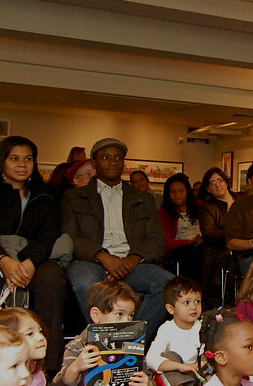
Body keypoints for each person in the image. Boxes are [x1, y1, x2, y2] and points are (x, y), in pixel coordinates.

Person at [0, 135, 69, 370]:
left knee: (52, 278)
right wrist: (3, 261)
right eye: (15, 159)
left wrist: (29, 262)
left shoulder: (46, 193)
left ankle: (48, 366)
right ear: (2, 161)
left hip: (34, 256)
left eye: (28, 159)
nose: (22, 164)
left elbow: (48, 234)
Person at [62, 137, 173, 341]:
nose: (112, 162)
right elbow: (71, 238)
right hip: (91, 261)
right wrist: (103, 257)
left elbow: (157, 239)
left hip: (132, 263)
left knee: (168, 284)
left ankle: (130, 341)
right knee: (84, 279)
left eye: (118, 158)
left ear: (124, 163)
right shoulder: (75, 197)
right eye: (105, 157)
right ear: (94, 164)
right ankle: (105, 342)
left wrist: (131, 260)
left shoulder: (143, 199)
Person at [52, 280, 170, 386]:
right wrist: (76, 368)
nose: (126, 321)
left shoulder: (132, 345)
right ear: (96, 315)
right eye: (119, 314)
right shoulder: (78, 345)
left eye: (131, 315)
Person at [146, 277, 204, 386]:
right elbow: (151, 359)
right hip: (173, 385)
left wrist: (204, 361)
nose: (194, 307)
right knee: (168, 357)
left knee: (211, 356)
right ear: (171, 308)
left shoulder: (203, 326)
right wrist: (180, 366)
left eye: (197, 301)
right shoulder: (167, 329)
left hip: (196, 379)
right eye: (187, 302)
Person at [198, 167, 240, 305]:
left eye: (219, 180)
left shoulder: (242, 199)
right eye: (212, 182)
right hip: (219, 250)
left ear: (226, 182)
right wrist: (233, 235)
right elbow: (209, 234)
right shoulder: (207, 207)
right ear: (208, 189)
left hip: (248, 246)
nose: (217, 184)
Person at [158, 173, 203, 281]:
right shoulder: (164, 212)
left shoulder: (199, 206)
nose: (177, 195)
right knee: (190, 253)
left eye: (181, 191)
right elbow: (165, 242)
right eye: (173, 191)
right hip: (179, 248)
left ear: (187, 192)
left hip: (201, 245)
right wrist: (188, 242)